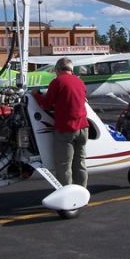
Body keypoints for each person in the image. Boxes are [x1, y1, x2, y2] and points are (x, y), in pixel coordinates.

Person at [33, 57, 89, 188]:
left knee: (64, 165)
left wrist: (36, 94)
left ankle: (67, 197)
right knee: (80, 163)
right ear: (71, 69)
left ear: (58, 70)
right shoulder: (80, 82)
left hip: (66, 129)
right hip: (83, 127)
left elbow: (46, 104)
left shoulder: (57, 82)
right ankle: (83, 191)